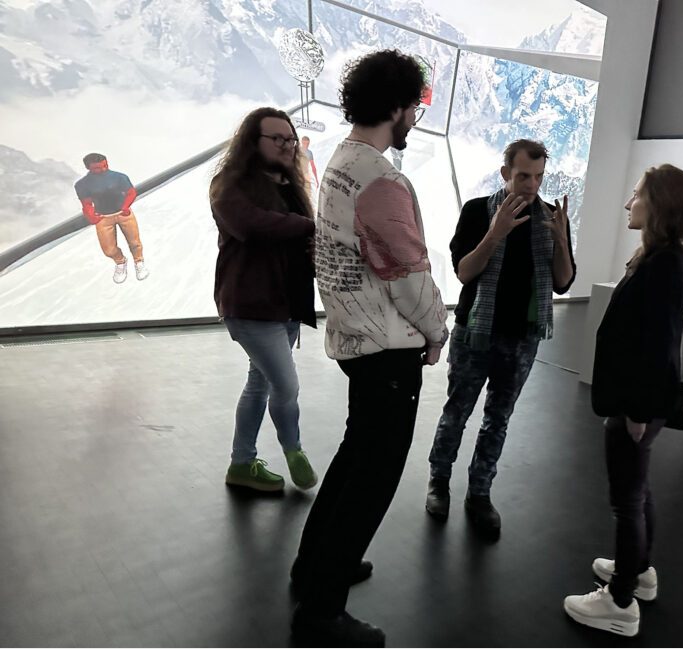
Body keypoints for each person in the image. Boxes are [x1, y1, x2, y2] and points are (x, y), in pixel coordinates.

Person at [290, 50, 448, 647]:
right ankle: (323, 610)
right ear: (398, 107)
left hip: (357, 341)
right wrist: (437, 330)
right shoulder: (383, 179)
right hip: (389, 350)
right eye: (414, 108)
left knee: (355, 458)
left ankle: (314, 567)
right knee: (373, 477)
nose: (416, 119)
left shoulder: (340, 163)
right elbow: (407, 273)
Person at [563, 164, 683, 637]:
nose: (629, 203)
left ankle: (620, 602)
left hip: (639, 401)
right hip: (640, 397)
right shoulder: (666, 256)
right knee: (637, 490)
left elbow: (659, 342)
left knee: (627, 499)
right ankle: (639, 571)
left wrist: (639, 411)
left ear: (660, 204)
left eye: (638, 195)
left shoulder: (664, 262)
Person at [424, 139, 576, 538]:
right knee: (457, 411)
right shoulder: (477, 210)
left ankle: (480, 491)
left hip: (523, 339)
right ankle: (439, 482)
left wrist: (560, 239)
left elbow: (562, 281)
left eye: (539, 177)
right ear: (506, 172)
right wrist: (495, 234)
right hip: (476, 332)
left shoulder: (551, 218)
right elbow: (463, 272)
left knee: (498, 419)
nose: (531, 185)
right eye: (524, 175)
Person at [209, 107, 318, 494]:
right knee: (285, 386)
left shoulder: (291, 188)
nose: (287, 146)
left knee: (260, 382)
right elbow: (250, 225)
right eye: (278, 139)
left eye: (290, 139)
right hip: (251, 306)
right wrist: (310, 226)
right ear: (252, 142)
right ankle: (294, 450)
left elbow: (304, 244)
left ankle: (242, 464)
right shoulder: (229, 184)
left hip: (285, 305)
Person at [74, 153, 149, 283]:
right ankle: (120, 262)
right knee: (109, 249)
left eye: (105, 165)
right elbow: (86, 203)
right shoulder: (83, 184)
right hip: (103, 217)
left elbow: (131, 192)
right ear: (89, 168)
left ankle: (139, 262)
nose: (103, 169)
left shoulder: (119, 177)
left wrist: (125, 207)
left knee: (135, 242)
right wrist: (90, 215)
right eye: (98, 168)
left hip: (123, 213)